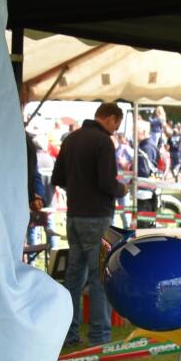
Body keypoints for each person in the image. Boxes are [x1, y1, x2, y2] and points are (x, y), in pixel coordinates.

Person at [51, 101, 125, 347]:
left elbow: (57, 177)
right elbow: (107, 183)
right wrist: (121, 189)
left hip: (74, 215)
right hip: (97, 216)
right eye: (116, 125)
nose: (115, 130)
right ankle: (99, 335)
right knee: (99, 276)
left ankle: (68, 333)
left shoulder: (71, 139)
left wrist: (78, 187)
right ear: (110, 118)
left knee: (73, 277)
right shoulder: (103, 142)